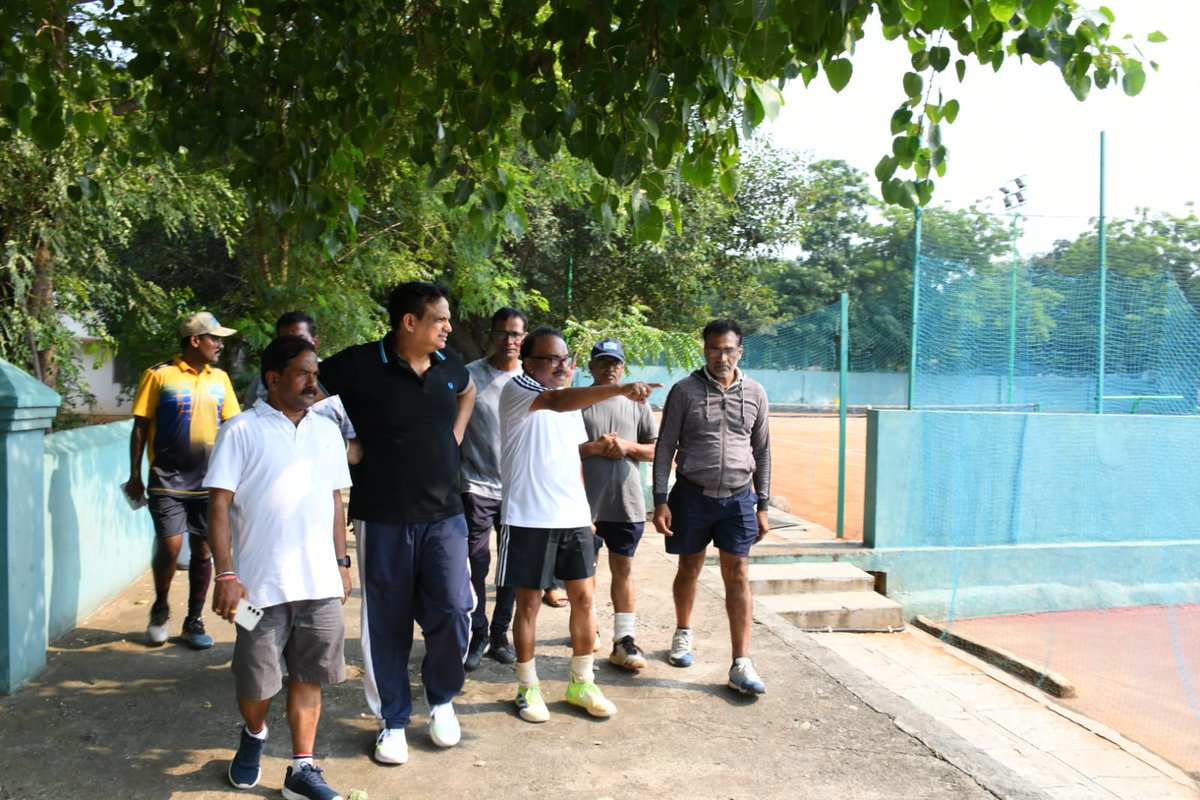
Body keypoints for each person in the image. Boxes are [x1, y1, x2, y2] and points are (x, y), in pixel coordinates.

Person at [317, 281, 476, 765]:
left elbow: (467, 393)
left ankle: (442, 700)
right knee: (385, 622)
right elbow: (308, 393)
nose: (449, 328)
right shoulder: (360, 363)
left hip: (445, 513)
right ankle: (392, 721)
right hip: (382, 514)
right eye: (440, 320)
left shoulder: (451, 366)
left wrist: (454, 437)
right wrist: (343, 447)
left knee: (453, 609)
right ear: (410, 322)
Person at [206, 335, 353, 800]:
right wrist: (225, 575)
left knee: (311, 674)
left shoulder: (327, 430)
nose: (314, 382)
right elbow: (218, 505)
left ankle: (301, 770)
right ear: (273, 378)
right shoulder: (240, 430)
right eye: (303, 373)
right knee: (256, 679)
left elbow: (335, 500)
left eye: (316, 373)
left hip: (320, 584)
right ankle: (254, 734)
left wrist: (342, 562)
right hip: (255, 591)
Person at [497, 326, 658, 723]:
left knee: (585, 599)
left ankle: (581, 682)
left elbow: (573, 460)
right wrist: (619, 389)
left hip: (572, 518)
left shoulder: (568, 410)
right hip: (528, 518)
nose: (560, 366)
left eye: (564, 359)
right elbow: (556, 399)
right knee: (529, 604)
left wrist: (585, 515)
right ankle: (527, 686)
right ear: (528, 362)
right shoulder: (520, 391)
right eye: (551, 359)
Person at [652, 319, 772, 695]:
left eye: (728, 349)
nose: (721, 356)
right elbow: (665, 446)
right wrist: (659, 500)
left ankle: (741, 662)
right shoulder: (684, 391)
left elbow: (763, 450)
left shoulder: (755, 393)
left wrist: (763, 504)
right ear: (704, 350)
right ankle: (683, 633)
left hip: (739, 498)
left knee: (737, 573)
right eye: (713, 349)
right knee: (689, 567)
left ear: (740, 351)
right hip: (691, 493)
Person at [124, 311, 241, 649]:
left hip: (210, 482)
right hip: (166, 479)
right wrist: (135, 474)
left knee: (204, 548)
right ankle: (161, 606)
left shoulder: (220, 379)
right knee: (171, 545)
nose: (219, 344)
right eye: (214, 338)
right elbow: (140, 426)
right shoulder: (159, 376)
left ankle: (194, 619)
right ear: (195, 340)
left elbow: (233, 429)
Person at [579, 338, 658, 670]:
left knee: (623, 569)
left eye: (615, 363)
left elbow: (656, 451)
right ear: (591, 367)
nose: (609, 368)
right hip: (583, 506)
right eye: (602, 362)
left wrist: (626, 446)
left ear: (623, 368)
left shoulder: (638, 404)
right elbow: (560, 451)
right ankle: (588, 629)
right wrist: (594, 448)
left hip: (626, 503)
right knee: (585, 573)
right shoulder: (577, 403)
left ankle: (624, 640)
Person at [458, 307, 526, 669]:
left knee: (511, 566)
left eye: (516, 334)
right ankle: (477, 632)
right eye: (503, 333)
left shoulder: (530, 380)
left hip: (518, 489)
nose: (509, 341)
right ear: (492, 335)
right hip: (476, 485)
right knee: (474, 562)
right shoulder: (470, 376)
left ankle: (501, 633)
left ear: (524, 339)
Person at [240, 312, 360, 465]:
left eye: (300, 339)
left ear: (315, 342)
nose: (293, 347)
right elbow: (248, 433)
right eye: (285, 341)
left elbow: (354, 448)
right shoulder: (261, 382)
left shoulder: (337, 380)